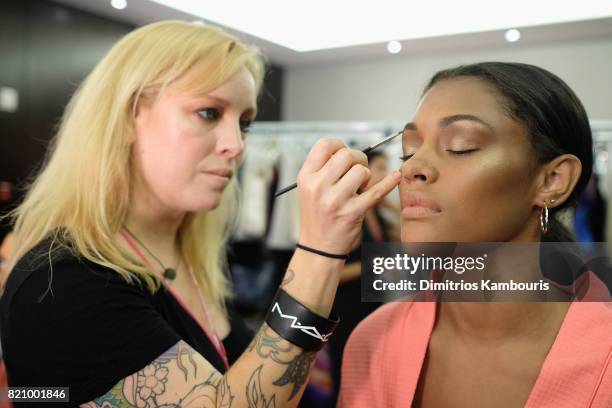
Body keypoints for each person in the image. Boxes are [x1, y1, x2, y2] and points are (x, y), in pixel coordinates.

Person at [0, 20, 400, 407]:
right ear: (127, 118)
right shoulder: (61, 284)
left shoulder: (192, 258)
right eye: (208, 113)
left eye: (244, 123)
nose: (236, 145)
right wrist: (320, 253)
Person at [339, 62, 612, 407]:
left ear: (551, 180)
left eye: (460, 146)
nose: (410, 168)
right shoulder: (372, 342)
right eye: (409, 150)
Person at [327, 150, 399, 404]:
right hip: (348, 309)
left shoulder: (376, 214)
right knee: (347, 375)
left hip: (372, 304)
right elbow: (332, 274)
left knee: (372, 375)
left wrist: (391, 206)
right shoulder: (352, 217)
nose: (386, 174)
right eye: (380, 168)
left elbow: (405, 236)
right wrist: (373, 264)